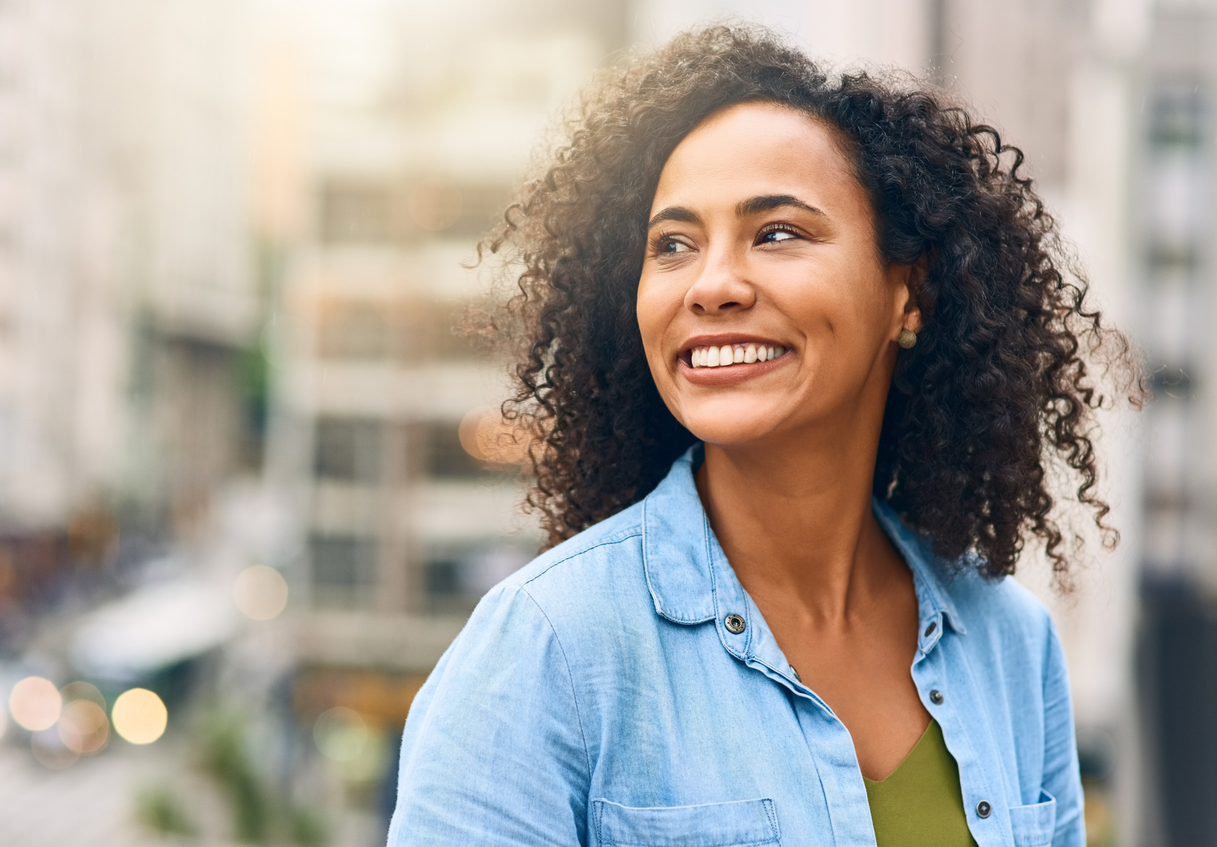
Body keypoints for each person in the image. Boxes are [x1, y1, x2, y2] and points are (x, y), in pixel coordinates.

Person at [386, 25, 1137, 847]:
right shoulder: (548, 648)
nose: (710, 284)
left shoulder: (1009, 647)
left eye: (776, 231)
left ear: (907, 295)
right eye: (672, 245)